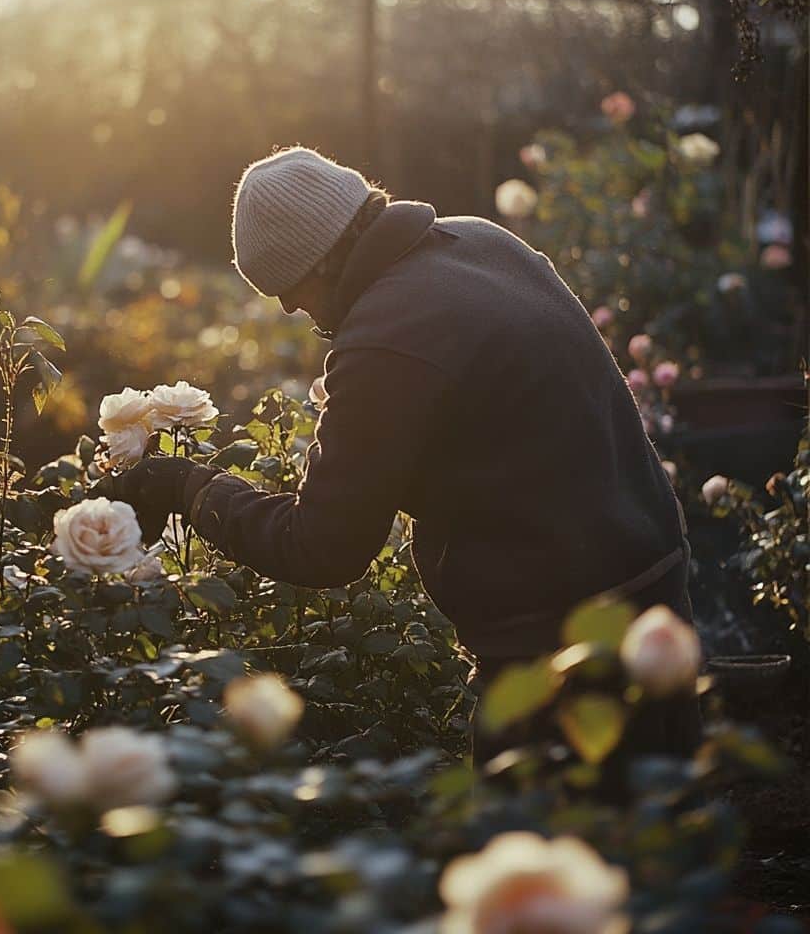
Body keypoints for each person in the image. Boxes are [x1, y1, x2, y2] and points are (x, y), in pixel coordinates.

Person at [99, 146, 702, 757]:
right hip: (654, 586)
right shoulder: (481, 241)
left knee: (544, 842)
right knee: (661, 829)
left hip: (559, 640)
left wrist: (189, 489)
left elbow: (323, 546)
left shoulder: (389, 337)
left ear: (322, 261)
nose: (287, 307)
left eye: (289, 287)